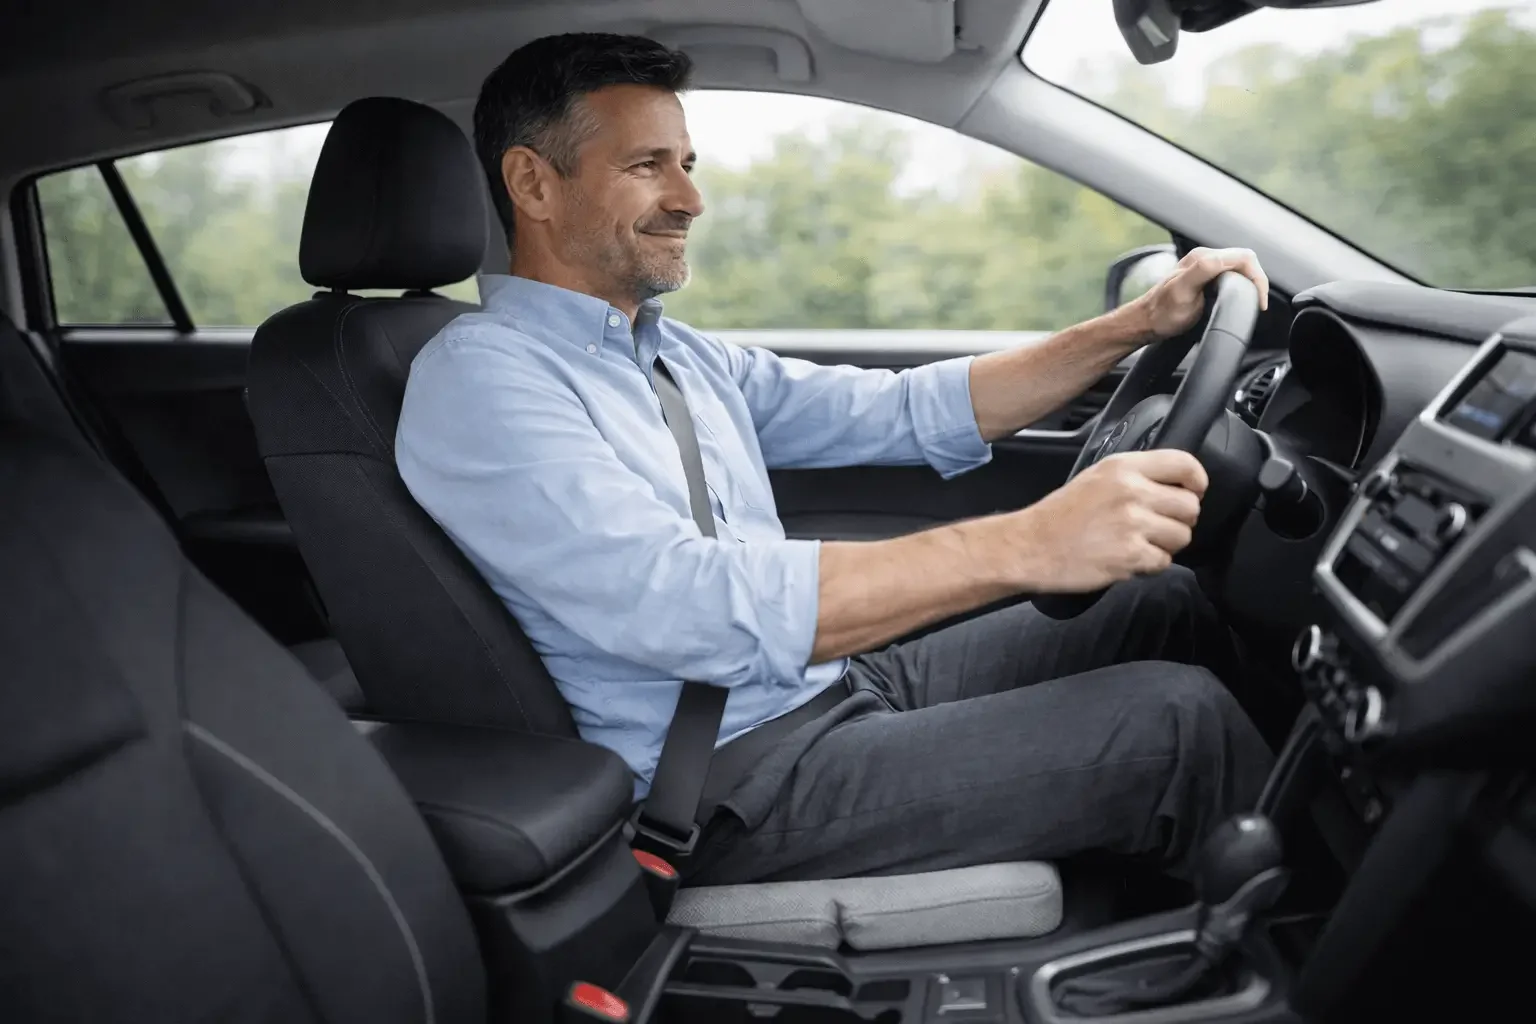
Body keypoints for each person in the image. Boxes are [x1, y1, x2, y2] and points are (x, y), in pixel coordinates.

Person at [396, 32, 1276, 885]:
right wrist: (1031, 542)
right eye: (645, 166)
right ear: (532, 184)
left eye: (686, 165)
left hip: (828, 686)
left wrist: (1137, 325)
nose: (689, 199)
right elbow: (683, 606)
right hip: (728, 778)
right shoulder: (482, 381)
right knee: (1176, 723)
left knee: (1160, 602)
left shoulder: (669, 353)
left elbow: (900, 410)